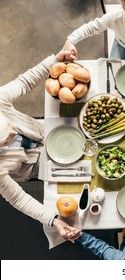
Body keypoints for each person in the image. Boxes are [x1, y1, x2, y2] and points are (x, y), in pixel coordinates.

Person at [0, 50, 82, 243]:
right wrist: (53, 220)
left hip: (49, 132)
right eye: (5, 141)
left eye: (10, 126)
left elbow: (26, 81)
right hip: (38, 168)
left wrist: (55, 60)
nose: (14, 133)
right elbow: (18, 199)